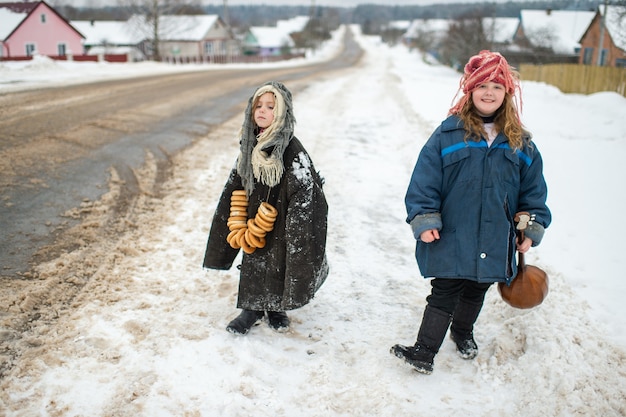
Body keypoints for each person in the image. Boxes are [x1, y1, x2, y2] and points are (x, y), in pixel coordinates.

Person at [390, 50, 551, 374]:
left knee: (478, 286)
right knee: (445, 289)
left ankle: (462, 332)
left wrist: (529, 229)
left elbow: (533, 193)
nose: (489, 92)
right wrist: (424, 218)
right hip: (452, 231)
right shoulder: (448, 134)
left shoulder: (522, 143)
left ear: (507, 93)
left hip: (495, 236)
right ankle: (424, 351)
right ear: (470, 91)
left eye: (496, 86)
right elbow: (424, 180)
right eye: (482, 86)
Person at [202, 81, 329, 336]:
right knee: (255, 259)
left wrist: (297, 224)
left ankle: (275, 307)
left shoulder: (292, 150)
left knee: (279, 261)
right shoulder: (250, 146)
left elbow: (306, 190)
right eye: (258, 105)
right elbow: (238, 179)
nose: (262, 110)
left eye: (270, 106)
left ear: (282, 113)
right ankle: (251, 308)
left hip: (281, 219)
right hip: (254, 218)